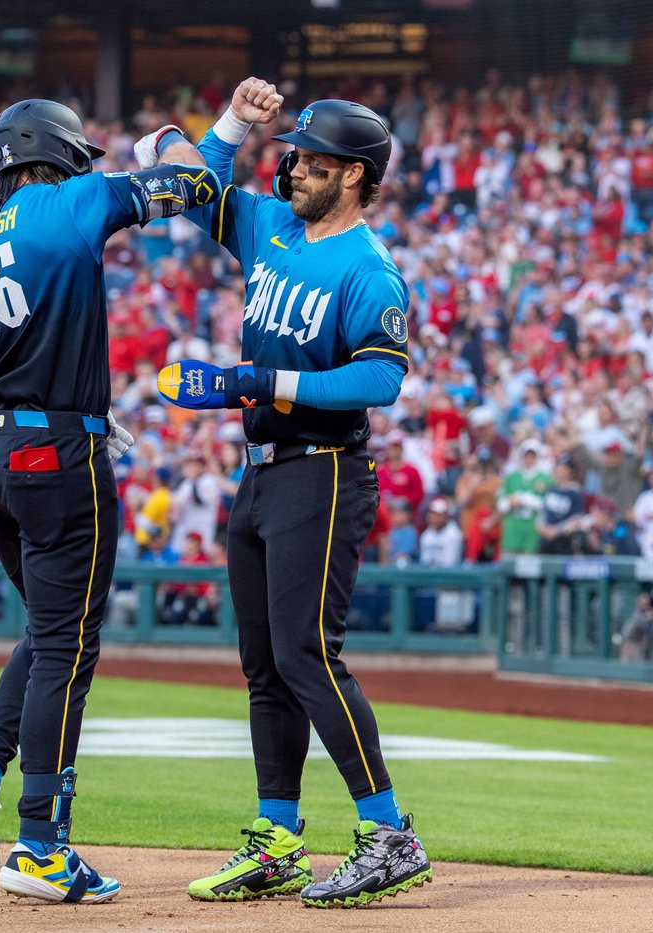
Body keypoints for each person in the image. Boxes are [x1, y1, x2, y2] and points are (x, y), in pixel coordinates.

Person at [139, 77, 432, 906]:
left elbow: (379, 380)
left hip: (328, 470)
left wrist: (259, 378)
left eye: (310, 158)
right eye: (294, 152)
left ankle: (389, 833)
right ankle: (276, 839)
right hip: (262, 473)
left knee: (308, 654)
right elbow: (188, 180)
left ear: (353, 174)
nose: (292, 166)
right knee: (265, 665)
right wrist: (233, 122)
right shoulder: (270, 225)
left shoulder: (370, 270)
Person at [0, 97, 219, 903]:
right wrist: (199, 136)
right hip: (56, 453)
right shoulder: (73, 200)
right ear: (61, 153)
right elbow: (194, 186)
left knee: (46, 628)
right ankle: (43, 848)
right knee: (68, 646)